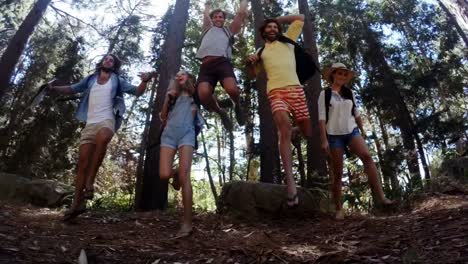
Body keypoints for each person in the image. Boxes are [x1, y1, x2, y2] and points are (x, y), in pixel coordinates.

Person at [48, 54, 154, 221]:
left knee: (104, 137)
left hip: (107, 119)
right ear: (102, 62)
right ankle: (76, 204)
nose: (108, 61)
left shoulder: (117, 80)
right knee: (82, 162)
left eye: (111, 60)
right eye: (106, 58)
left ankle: (91, 180)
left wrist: (145, 81)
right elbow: (72, 88)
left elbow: (137, 91)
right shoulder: (90, 79)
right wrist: (53, 89)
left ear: (114, 65)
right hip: (90, 123)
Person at [246, 14, 311, 207]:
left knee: (307, 132)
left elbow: (300, 17)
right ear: (263, 32)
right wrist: (250, 63)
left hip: (297, 90)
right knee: (283, 128)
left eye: (275, 27)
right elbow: (252, 75)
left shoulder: (289, 41)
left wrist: (276, 19)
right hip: (275, 92)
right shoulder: (260, 50)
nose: (273, 29)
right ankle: (290, 185)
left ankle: (294, 130)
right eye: (269, 27)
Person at [318, 62, 393, 220]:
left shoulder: (349, 93)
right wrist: (324, 140)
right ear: (333, 75)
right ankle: (338, 209)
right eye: (339, 73)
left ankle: (381, 197)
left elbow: (356, 113)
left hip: (352, 131)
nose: (342, 77)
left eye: (345, 74)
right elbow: (322, 119)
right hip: (334, 136)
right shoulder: (324, 95)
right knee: (337, 173)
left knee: (367, 156)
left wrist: (362, 130)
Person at [159, 70, 202, 238]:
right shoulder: (172, 96)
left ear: (189, 78)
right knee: (163, 174)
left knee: (185, 177)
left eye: (183, 74)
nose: (179, 75)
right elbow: (163, 116)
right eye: (177, 74)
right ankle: (175, 172)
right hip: (169, 135)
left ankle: (187, 222)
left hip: (187, 134)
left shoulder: (195, 95)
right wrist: (167, 98)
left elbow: (202, 94)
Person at [196, 0, 249, 131]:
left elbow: (241, 14)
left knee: (232, 89)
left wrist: (244, 2)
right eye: (215, 17)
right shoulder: (207, 28)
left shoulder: (228, 31)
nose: (218, 19)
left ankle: (237, 105)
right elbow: (205, 14)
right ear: (212, 19)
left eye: (221, 17)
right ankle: (221, 112)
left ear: (224, 20)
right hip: (206, 66)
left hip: (222, 62)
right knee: (203, 94)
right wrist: (208, 5)